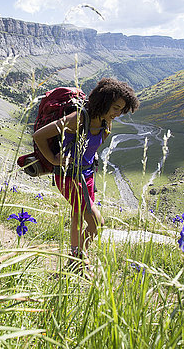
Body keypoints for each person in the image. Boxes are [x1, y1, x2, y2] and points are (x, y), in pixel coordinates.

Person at [32, 78, 140, 270]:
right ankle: (78, 261)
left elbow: (93, 147)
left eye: (121, 109)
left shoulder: (107, 123)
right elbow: (39, 136)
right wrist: (54, 160)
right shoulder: (78, 119)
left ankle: (74, 261)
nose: (118, 114)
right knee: (97, 222)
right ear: (104, 101)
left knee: (78, 218)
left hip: (88, 177)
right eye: (115, 107)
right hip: (69, 177)